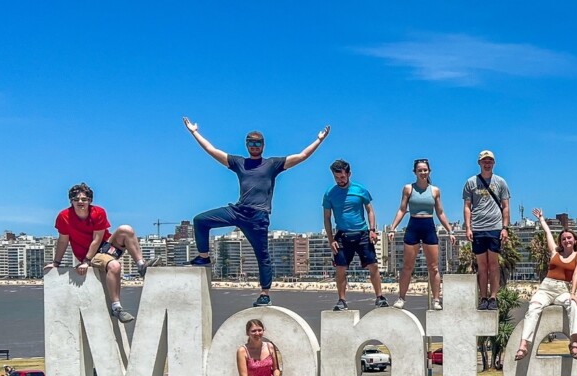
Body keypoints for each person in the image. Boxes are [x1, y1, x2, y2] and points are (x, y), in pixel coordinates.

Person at [182, 118, 329, 307]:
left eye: (257, 143)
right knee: (200, 220)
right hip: (238, 211)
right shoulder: (239, 162)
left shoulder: (272, 164)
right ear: (246, 145)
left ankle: (265, 293)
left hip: (258, 217)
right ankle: (204, 257)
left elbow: (301, 156)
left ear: (263, 145)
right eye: (251, 142)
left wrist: (319, 140)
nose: (254, 146)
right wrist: (194, 132)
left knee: (263, 255)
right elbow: (212, 151)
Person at [45, 182, 151, 323]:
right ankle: (117, 308)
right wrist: (56, 263)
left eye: (84, 199)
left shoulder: (98, 212)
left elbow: (97, 239)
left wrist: (86, 262)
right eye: (76, 199)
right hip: (92, 255)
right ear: (71, 201)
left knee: (126, 229)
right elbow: (63, 241)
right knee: (114, 266)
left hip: (105, 247)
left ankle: (141, 265)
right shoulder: (64, 217)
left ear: (90, 201)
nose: (80, 202)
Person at [515, 209, 577, 361]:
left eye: (569, 238)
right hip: (546, 288)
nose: (567, 240)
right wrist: (541, 219)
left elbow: (576, 275)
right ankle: (523, 345)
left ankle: (573, 342)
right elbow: (548, 233)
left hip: (563, 289)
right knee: (533, 308)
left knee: (573, 305)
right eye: (564, 239)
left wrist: (573, 294)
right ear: (561, 241)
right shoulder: (555, 252)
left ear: (575, 241)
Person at [387, 158, 454, 310]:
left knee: (434, 267)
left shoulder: (435, 190)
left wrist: (450, 231)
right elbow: (402, 210)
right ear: (415, 172)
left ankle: (436, 300)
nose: (423, 172)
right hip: (413, 226)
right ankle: (401, 298)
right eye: (420, 170)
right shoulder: (408, 189)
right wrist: (392, 228)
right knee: (407, 266)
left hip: (429, 226)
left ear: (429, 171)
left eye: (425, 170)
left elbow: (440, 212)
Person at [322, 159, 385, 311]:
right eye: (337, 178)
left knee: (373, 265)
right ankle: (342, 300)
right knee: (341, 269)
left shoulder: (360, 190)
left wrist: (372, 230)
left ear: (349, 174)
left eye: (342, 177)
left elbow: (370, 210)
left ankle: (380, 297)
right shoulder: (330, 194)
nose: (340, 181)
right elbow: (327, 218)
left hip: (362, 233)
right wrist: (331, 240)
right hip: (342, 235)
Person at [463, 150, 511, 309]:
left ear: (494, 163)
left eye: (490, 160)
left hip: (495, 228)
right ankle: (483, 297)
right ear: (479, 163)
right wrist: (468, 227)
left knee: (494, 264)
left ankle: (493, 297)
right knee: (482, 265)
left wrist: (505, 228)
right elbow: (467, 207)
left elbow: (506, 207)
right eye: (484, 161)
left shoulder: (500, 182)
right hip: (478, 228)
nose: (487, 163)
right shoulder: (471, 182)